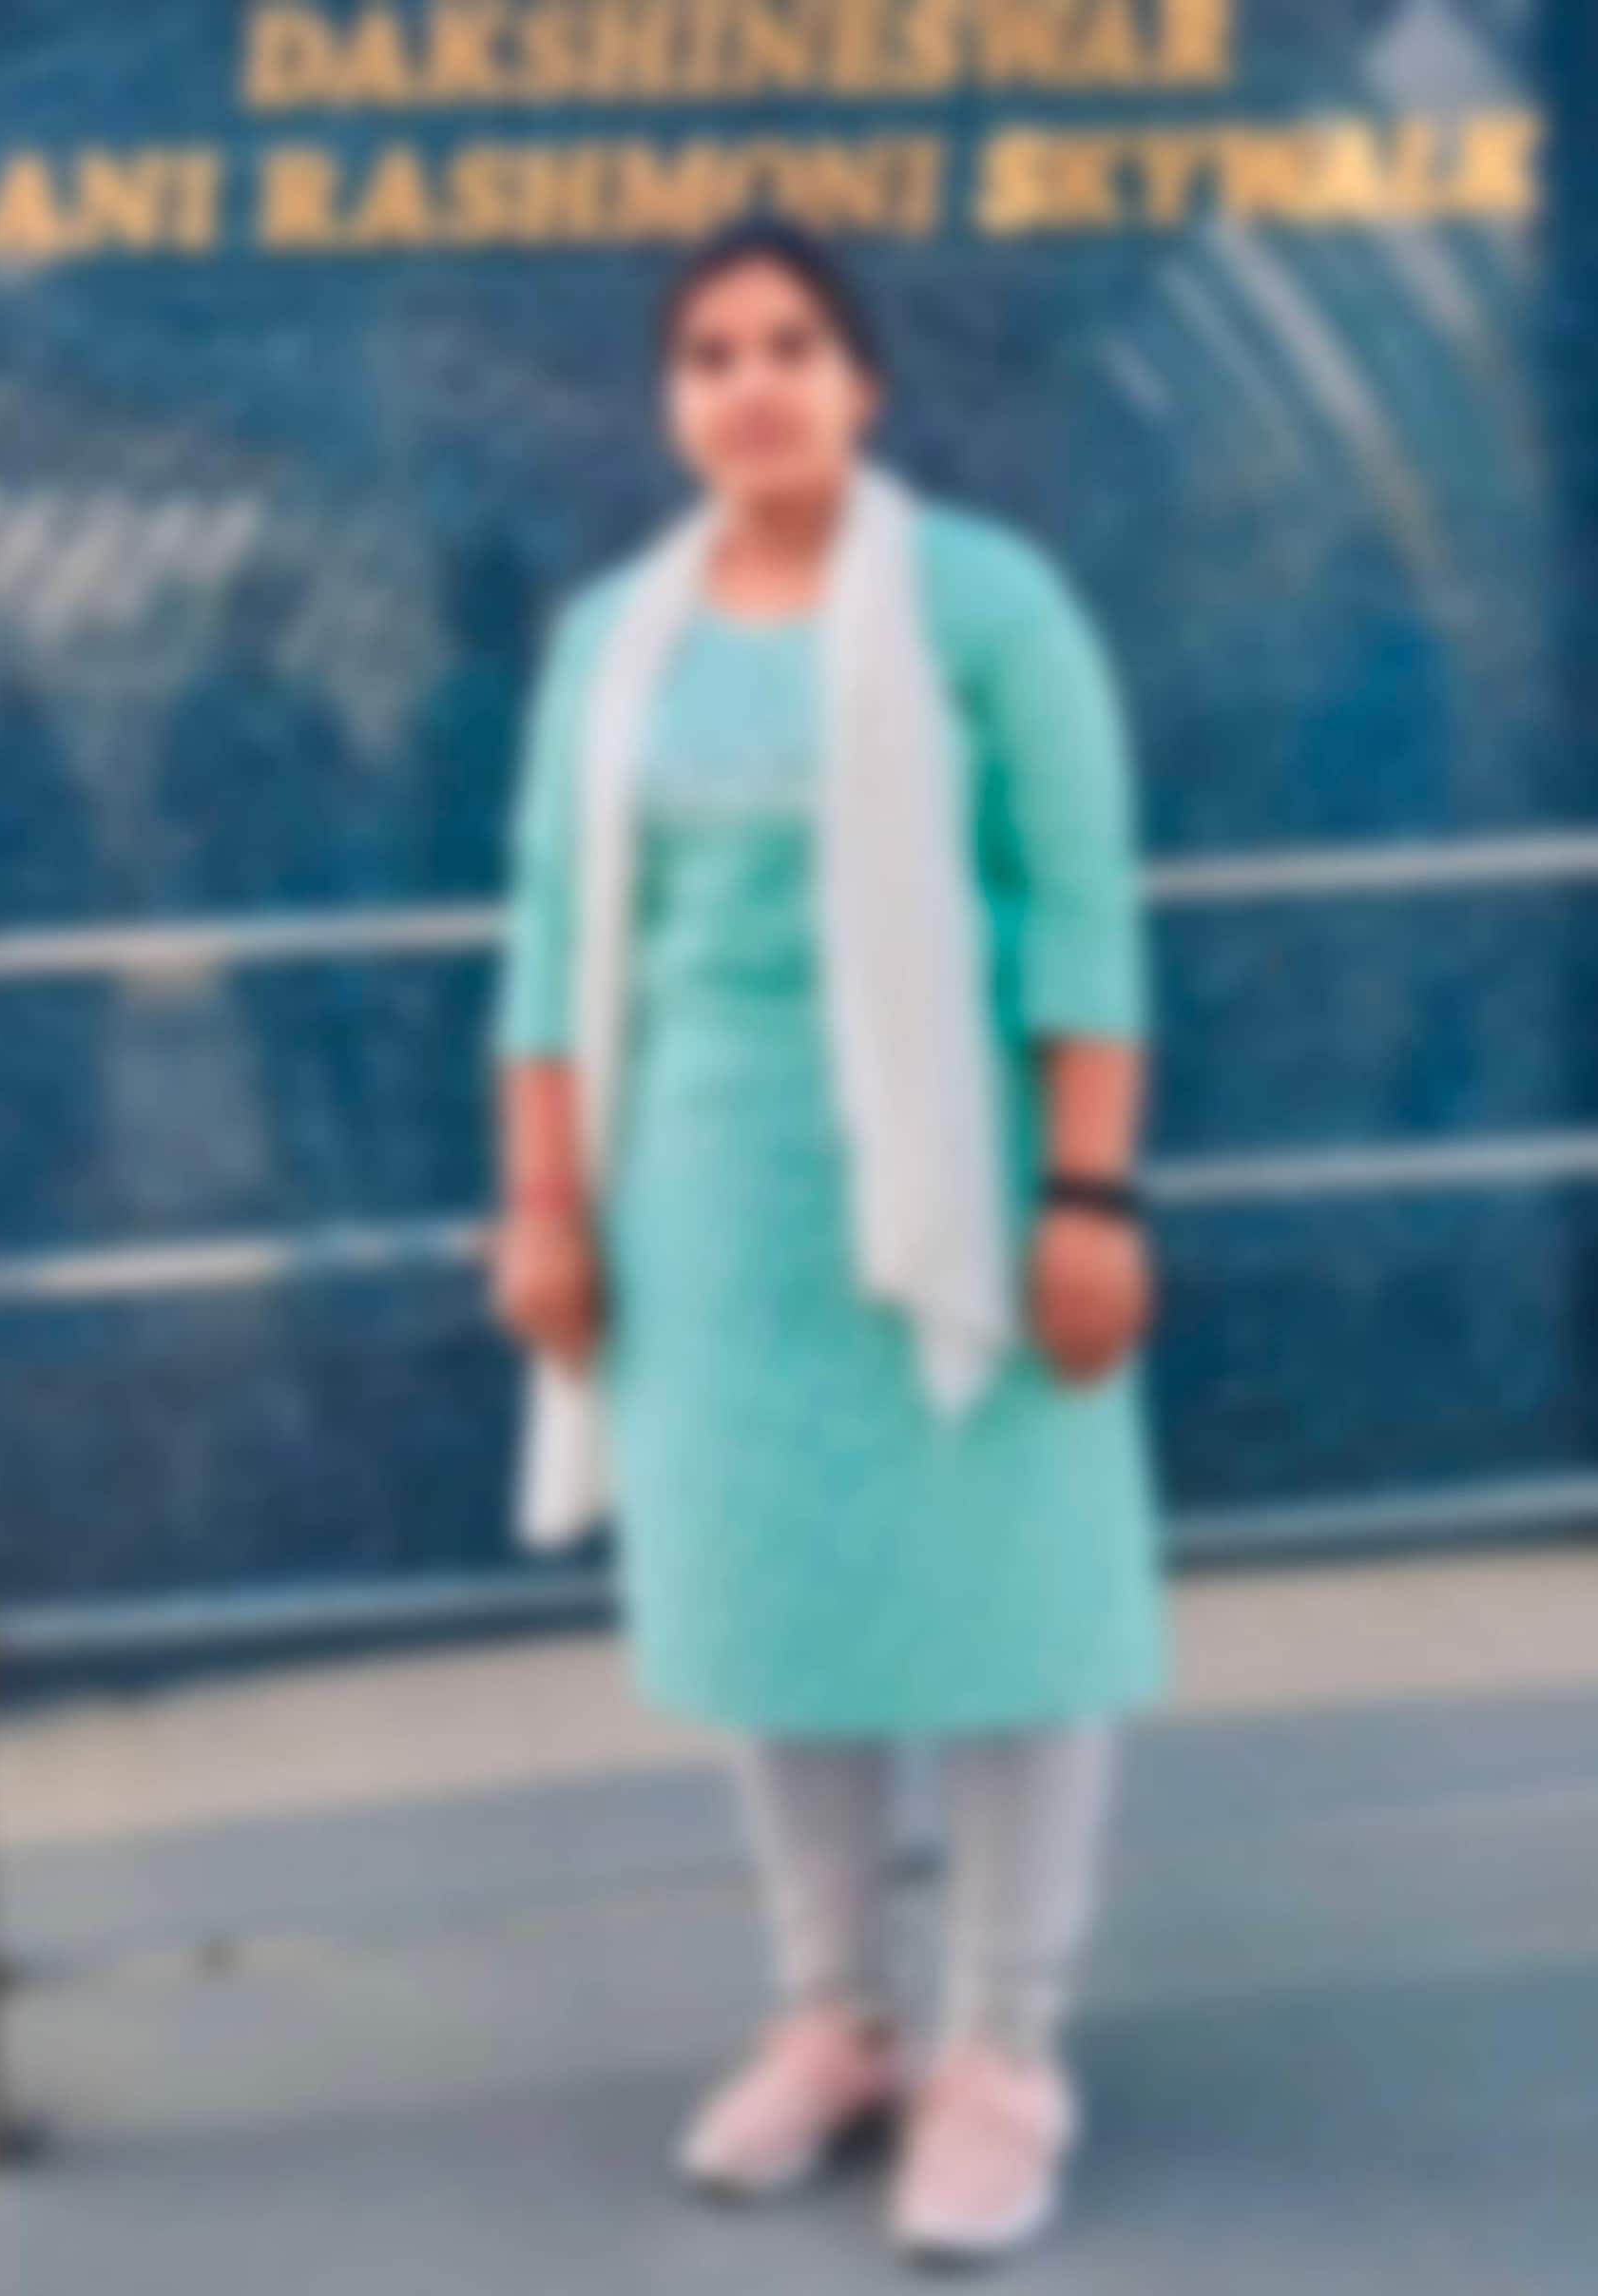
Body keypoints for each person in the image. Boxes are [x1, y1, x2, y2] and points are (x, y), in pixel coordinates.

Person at [488, 214, 1168, 2267]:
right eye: (710, 354)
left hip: (970, 1189)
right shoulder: (616, 637)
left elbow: (1083, 910)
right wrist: (545, 1208)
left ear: (863, 385)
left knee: (1011, 1606)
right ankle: (837, 2017)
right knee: (777, 1608)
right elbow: (548, 939)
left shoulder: (986, 601)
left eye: (792, 343)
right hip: (703, 1202)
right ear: (670, 402)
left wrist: (1091, 1195)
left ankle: (1006, 2050)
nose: (753, 382)